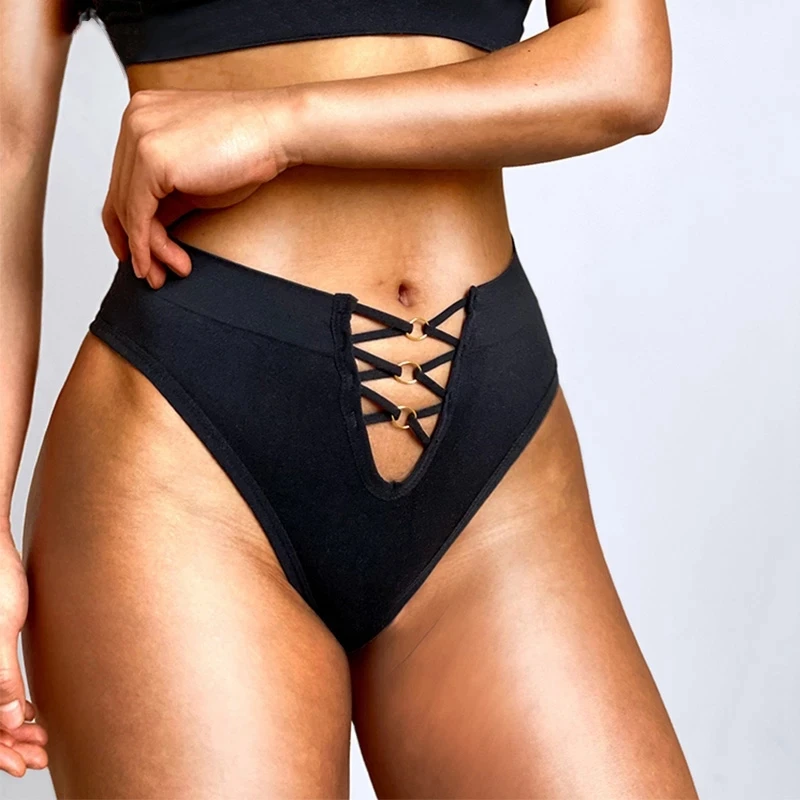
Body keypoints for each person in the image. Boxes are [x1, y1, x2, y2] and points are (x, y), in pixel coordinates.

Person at [1, 0, 698, 795]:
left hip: (495, 464)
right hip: (185, 458)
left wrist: (281, 124)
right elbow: (7, 146)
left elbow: (625, 67)